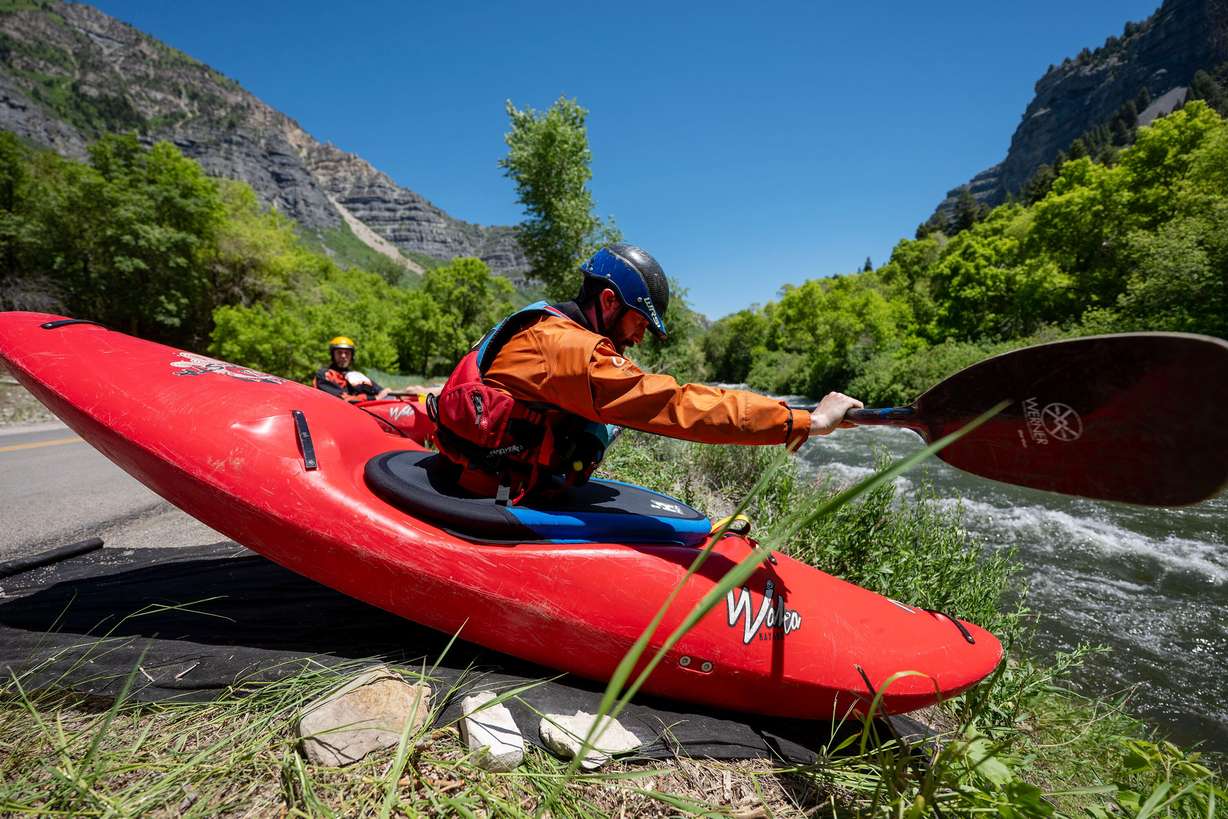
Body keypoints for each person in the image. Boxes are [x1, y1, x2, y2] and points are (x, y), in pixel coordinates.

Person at [428, 242, 863, 499]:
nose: (638, 338)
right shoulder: (569, 350)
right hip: (488, 493)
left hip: (487, 475)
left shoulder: (545, 325)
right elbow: (676, 406)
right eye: (639, 322)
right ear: (609, 302)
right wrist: (805, 420)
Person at [313, 336, 390, 402]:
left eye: (347, 353)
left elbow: (381, 391)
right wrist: (374, 398)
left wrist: (390, 393)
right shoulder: (324, 374)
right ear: (333, 355)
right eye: (339, 352)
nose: (343, 356)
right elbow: (342, 399)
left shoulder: (357, 376)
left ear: (351, 355)